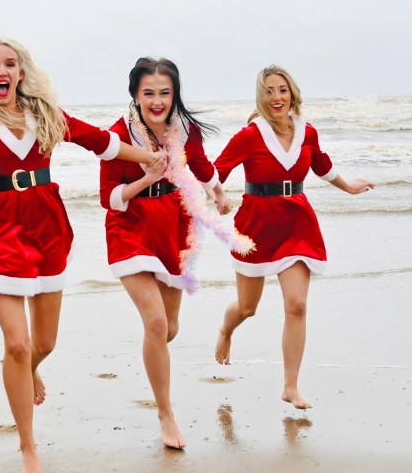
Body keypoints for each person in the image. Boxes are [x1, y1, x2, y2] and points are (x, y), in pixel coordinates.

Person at [0, 38, 162, 473]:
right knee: (17, 345)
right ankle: (28, 448)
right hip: (1, 229)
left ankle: (31, 371)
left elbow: (104, 144)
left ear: (20, 71)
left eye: (8, 63)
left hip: (48, 227)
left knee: (43, 345)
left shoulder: (47, 116)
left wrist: (150, 159)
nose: (0, 71)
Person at [213, 65, 374, 409]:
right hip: (256, 223)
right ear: (261, 96)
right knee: (247, 308)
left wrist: (349, 187)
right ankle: (226, 331)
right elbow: (216, 170)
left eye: (282, 90)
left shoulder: (307, 131)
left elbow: (321, 164)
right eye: (269, 91)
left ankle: (290, 386)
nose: (276, 97)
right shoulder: (249, 135)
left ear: (292, 92)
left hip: (297, 222)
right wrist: (219, 196)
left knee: (297, 305)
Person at [100, 57, 236, 450]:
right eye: (149, 93)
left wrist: (219, 192)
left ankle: (154, 354)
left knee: (169, 327)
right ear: (135, 95)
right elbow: (108, 197)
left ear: (174, 95)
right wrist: (146, 177)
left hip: (173, 224)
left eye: (165, 93)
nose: (157, 101)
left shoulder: (184, 131)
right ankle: (166, 415)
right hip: (129, 227)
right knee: (157, 323)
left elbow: (202, 165)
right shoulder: (117, 136)